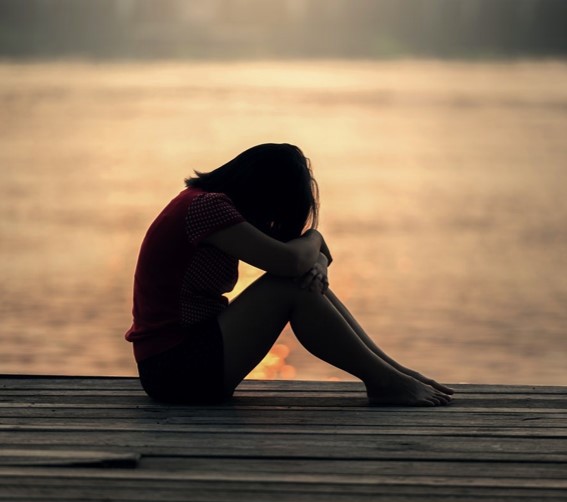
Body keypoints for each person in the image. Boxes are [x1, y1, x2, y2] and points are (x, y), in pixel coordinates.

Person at [125, 143, 454, 406]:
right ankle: (385, 381)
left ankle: (392, 373)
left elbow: (302, 260)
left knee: (296, 281)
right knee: (288, 286)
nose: (272, 221)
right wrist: (315, 238)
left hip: (185, 363)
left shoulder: (204, 205)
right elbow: (292, 261)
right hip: (175, 370)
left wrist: (318, 261)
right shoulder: (207, 208)